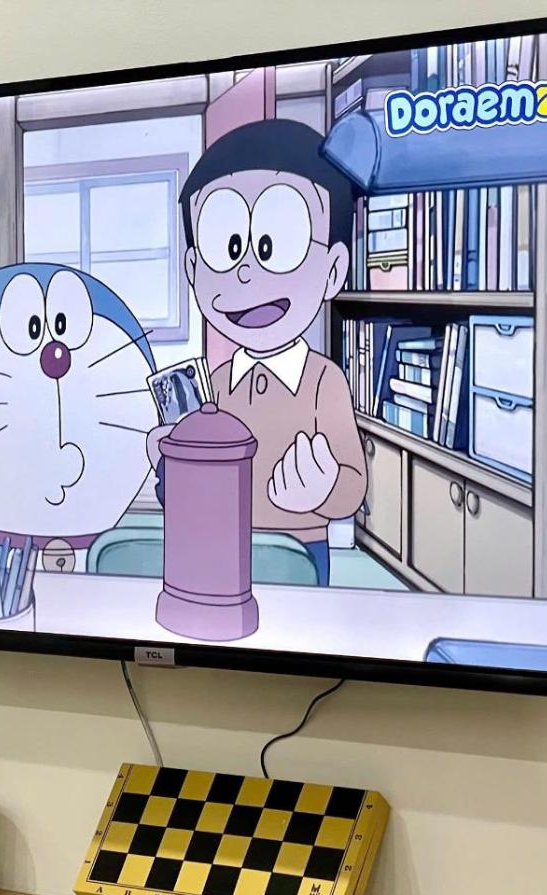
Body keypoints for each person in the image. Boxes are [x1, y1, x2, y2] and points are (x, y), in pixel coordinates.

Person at [150, 119, 367, 586]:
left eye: (275, 246)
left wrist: (325, 488)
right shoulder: (213, 385)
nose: (246, 272)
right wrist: (169, 463)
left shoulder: (323, 382)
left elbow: (353, 485)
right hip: (218, 547)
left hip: (299, 551)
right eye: (226, 248)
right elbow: (189, 494)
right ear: (194, 269)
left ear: (333, 270)